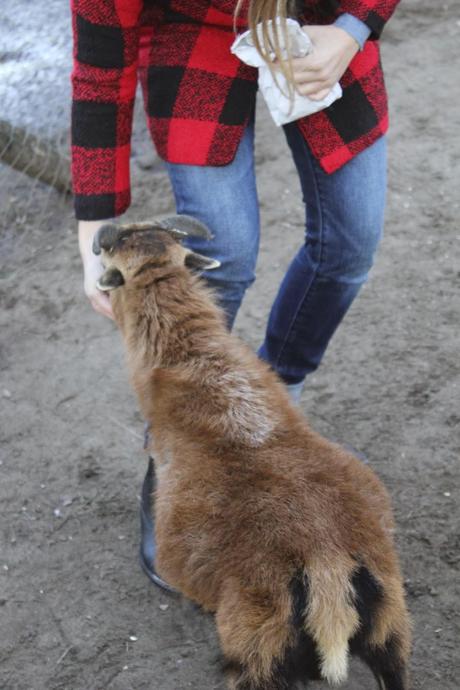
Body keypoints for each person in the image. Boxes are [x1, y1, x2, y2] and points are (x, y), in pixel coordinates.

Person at [72, 0, 400, 587]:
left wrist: (352, 32)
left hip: (320, 21)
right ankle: (171, 450)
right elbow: (101, 66)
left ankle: (274, 410)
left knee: (350, 244)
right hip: (194, 31)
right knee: (222, 254)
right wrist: (93, 223)